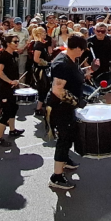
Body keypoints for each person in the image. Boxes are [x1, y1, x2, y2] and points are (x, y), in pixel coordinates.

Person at [46, 35, 88, 190]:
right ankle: (57, 176)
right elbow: (57, 90)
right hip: (60, 108)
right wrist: (77, 101)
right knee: (63, 139)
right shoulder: (62, 64)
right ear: (77, 48)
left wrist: (88, 71)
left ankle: (65, 160)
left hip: (67, 108)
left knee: (69, 135)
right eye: (82, 50)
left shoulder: (70, 59)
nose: (82, 52)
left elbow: (72, 76)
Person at [0, 35, 22, 146]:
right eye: (15, 41)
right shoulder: (4, 56)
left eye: (18, 41)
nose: (17, 43)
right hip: (5, 88)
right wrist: (10, 81)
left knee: (14, 108)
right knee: (6, 112)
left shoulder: (14, 54)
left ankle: (12, 130)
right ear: (8, 44)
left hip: (13, 87)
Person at [28, 26, 51, 117]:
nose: (45, 34)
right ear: (39, 34)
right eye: (44, 32)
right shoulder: (38, 45)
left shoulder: (41, 44)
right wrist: (47, 63)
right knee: (43, 88)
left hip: (42, 69)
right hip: (40, 70)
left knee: (45, 87)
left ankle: (41, 104)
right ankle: (38, 108)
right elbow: (36, 59)